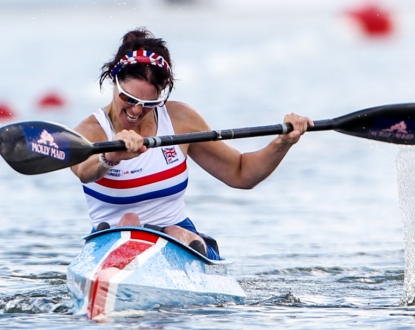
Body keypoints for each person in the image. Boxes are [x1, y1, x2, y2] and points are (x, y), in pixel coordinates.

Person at [70, 27, 313, 260]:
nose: (136, 110)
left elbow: (241, 173)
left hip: (178, 243)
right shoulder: (89, 132)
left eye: (149, 104)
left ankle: (193, 244)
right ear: (114, 81)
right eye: (128, 98)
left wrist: (283, 142)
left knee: (170, 231)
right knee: (129, 222)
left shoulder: (180, 120)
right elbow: (83, 171)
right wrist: (110, 156)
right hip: (110, 243)